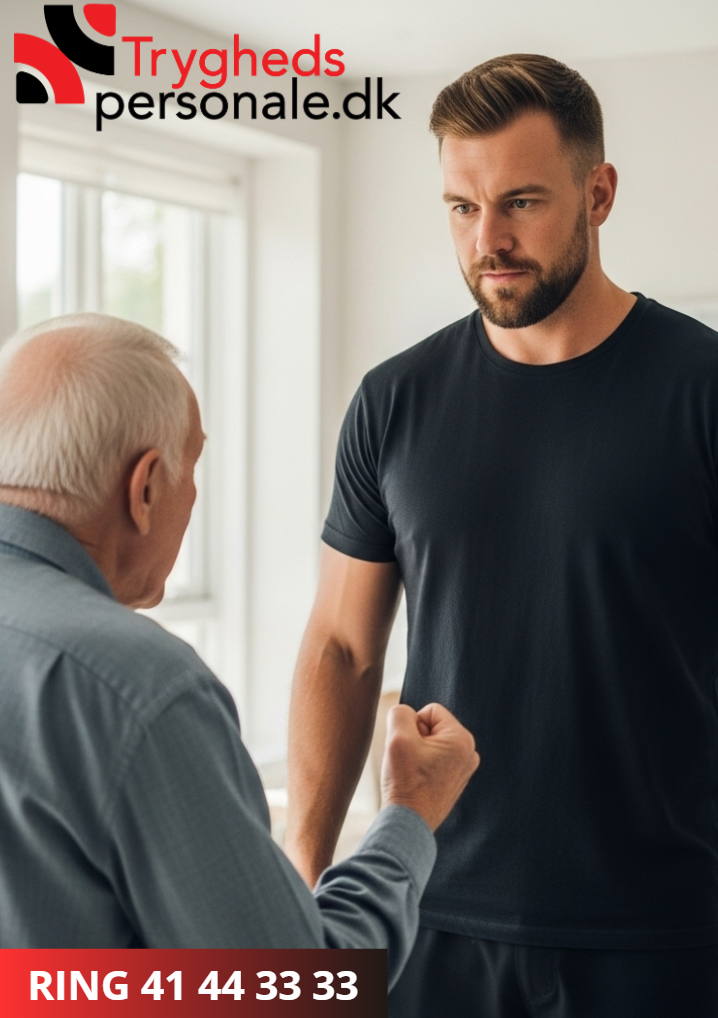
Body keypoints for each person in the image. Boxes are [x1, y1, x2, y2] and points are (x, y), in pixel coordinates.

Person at [284, 52, 718, 1016]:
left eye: (521, 202)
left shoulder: (701, 390)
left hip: (667, 932)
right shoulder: (394, 402)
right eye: (462, 207)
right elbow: (345, 647)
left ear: (598, 193)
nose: (490, 240)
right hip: (431, 919)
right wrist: (302, 887)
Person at [0, 312, 479, 985]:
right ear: (144, 488)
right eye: (192, 466)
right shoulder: (136, 689)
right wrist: (409, 813)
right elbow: (290, 994)